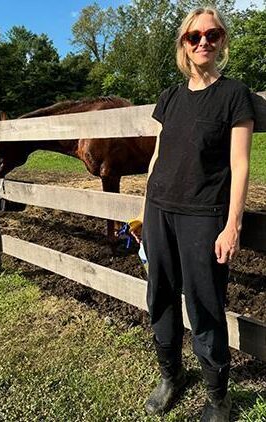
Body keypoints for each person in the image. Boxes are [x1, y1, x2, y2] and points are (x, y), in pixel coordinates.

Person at [131, 7, 255, 421]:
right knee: (160, 296)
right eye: (194, 35)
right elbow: (157, 157)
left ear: (222, 41)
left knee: (204, 304)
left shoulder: (235, 94)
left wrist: (232, 224)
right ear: (184, 43)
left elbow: (240, 165)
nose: (203, 41)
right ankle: (171, 376)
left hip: (204, 214)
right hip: (159, 210)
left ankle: (218, 397)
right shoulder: (169, 97)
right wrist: (144, 215)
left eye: (212, 35)